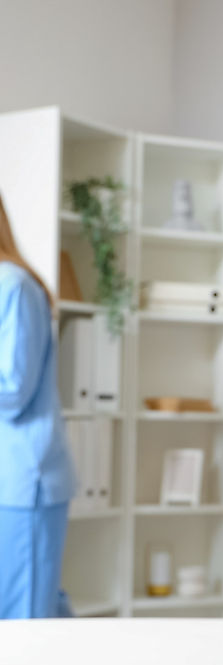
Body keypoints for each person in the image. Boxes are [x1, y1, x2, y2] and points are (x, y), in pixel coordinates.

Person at [0, 192, 76, 618]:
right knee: (38, 610)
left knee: (25, 622)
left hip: (25, 480)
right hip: (9, 480)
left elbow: (13, 391)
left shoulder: (14, 287)